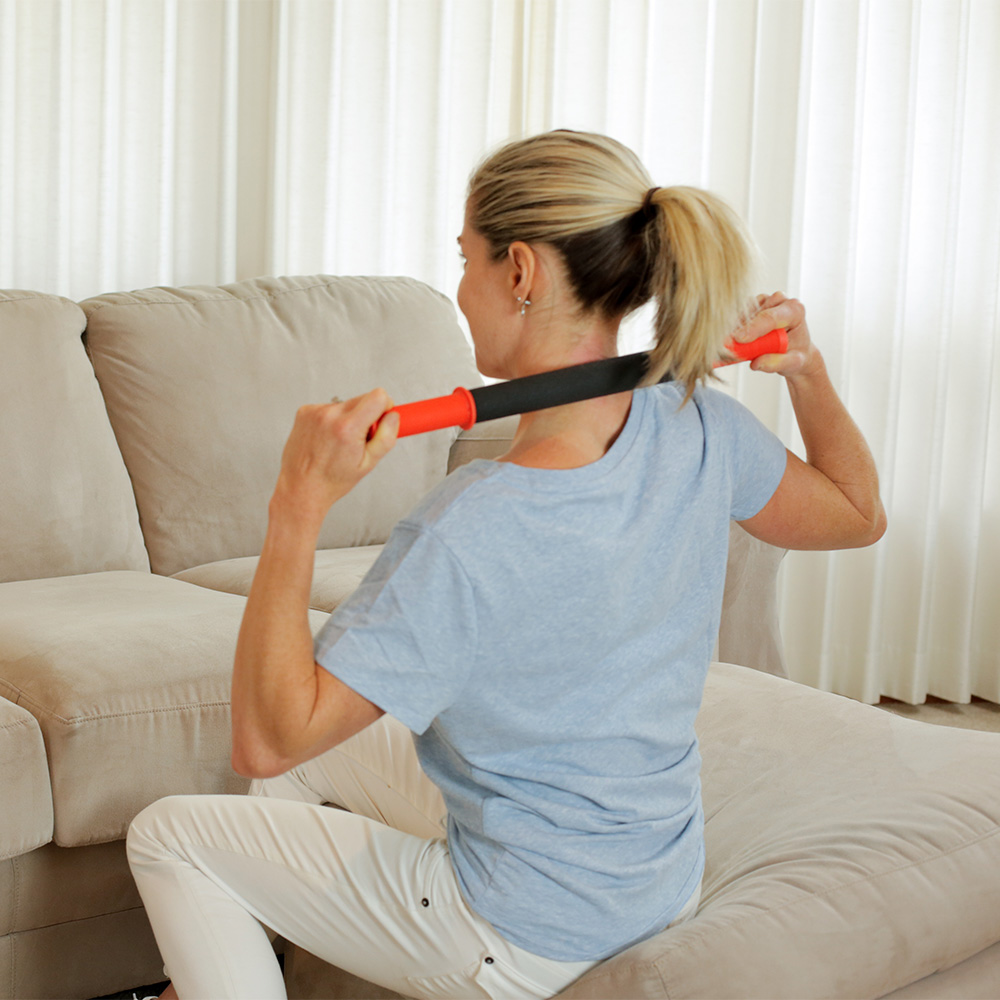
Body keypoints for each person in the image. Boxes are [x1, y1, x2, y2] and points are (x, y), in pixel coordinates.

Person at [127, 130, 886, 1000]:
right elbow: (858, 513)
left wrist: (297, 505)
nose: (461, 289)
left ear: (519, 273)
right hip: (649, 883)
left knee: (169, 836)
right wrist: (809, 373)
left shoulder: (470, 529)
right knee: (320, 761)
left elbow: (263, 740)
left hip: (521, 933)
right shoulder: (699, 426)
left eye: (466, 260)